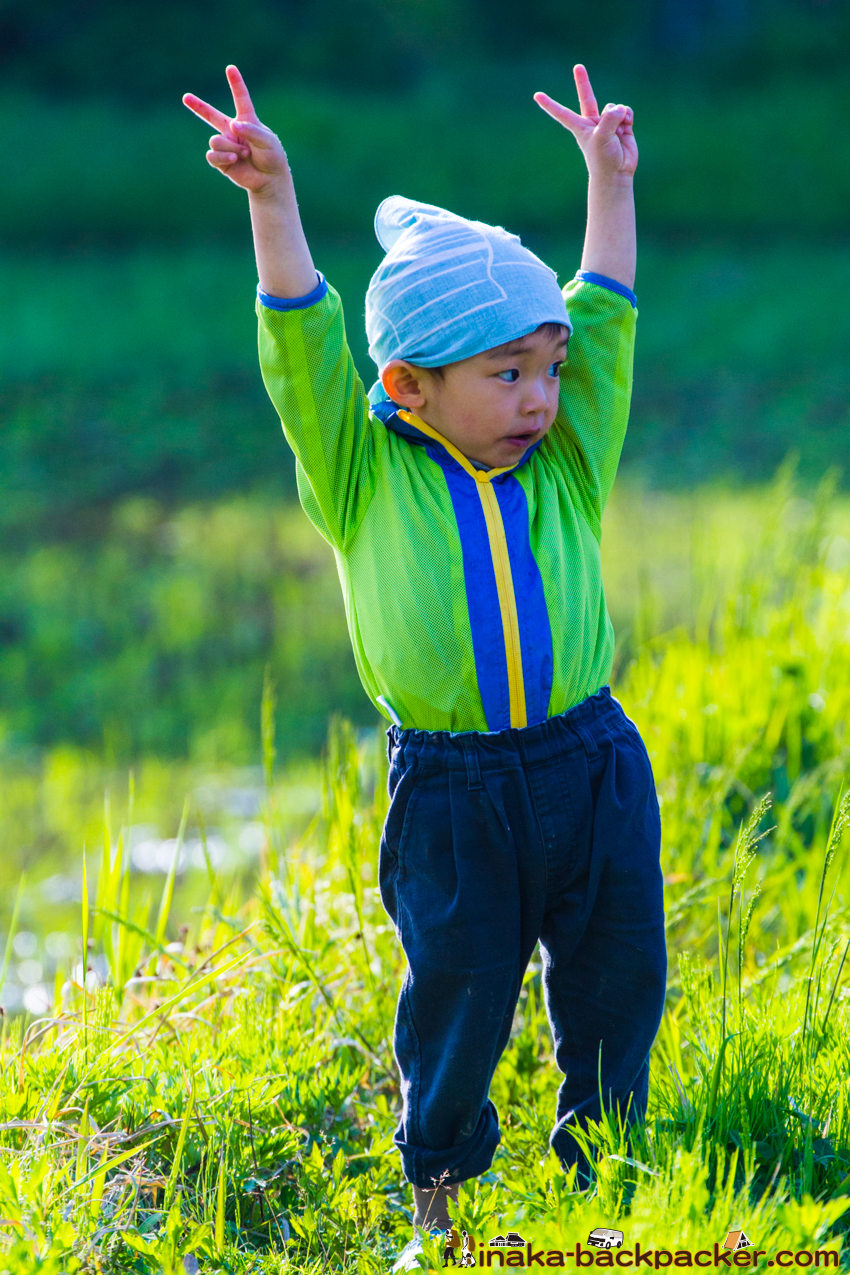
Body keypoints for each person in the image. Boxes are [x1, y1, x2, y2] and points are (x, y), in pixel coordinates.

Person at [184, 60, 666, 1273]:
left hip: (589, 762)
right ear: (408, 386)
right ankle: (442, 1199)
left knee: (615, 985)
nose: (540, 399)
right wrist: (271, 193)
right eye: (506, 374)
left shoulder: (567, 462)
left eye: (546, 371)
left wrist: (606, 182)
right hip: (452, 791)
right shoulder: (362, 475)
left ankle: (602, 1183)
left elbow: (601, 308)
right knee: (455, 996)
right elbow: (299, 344)